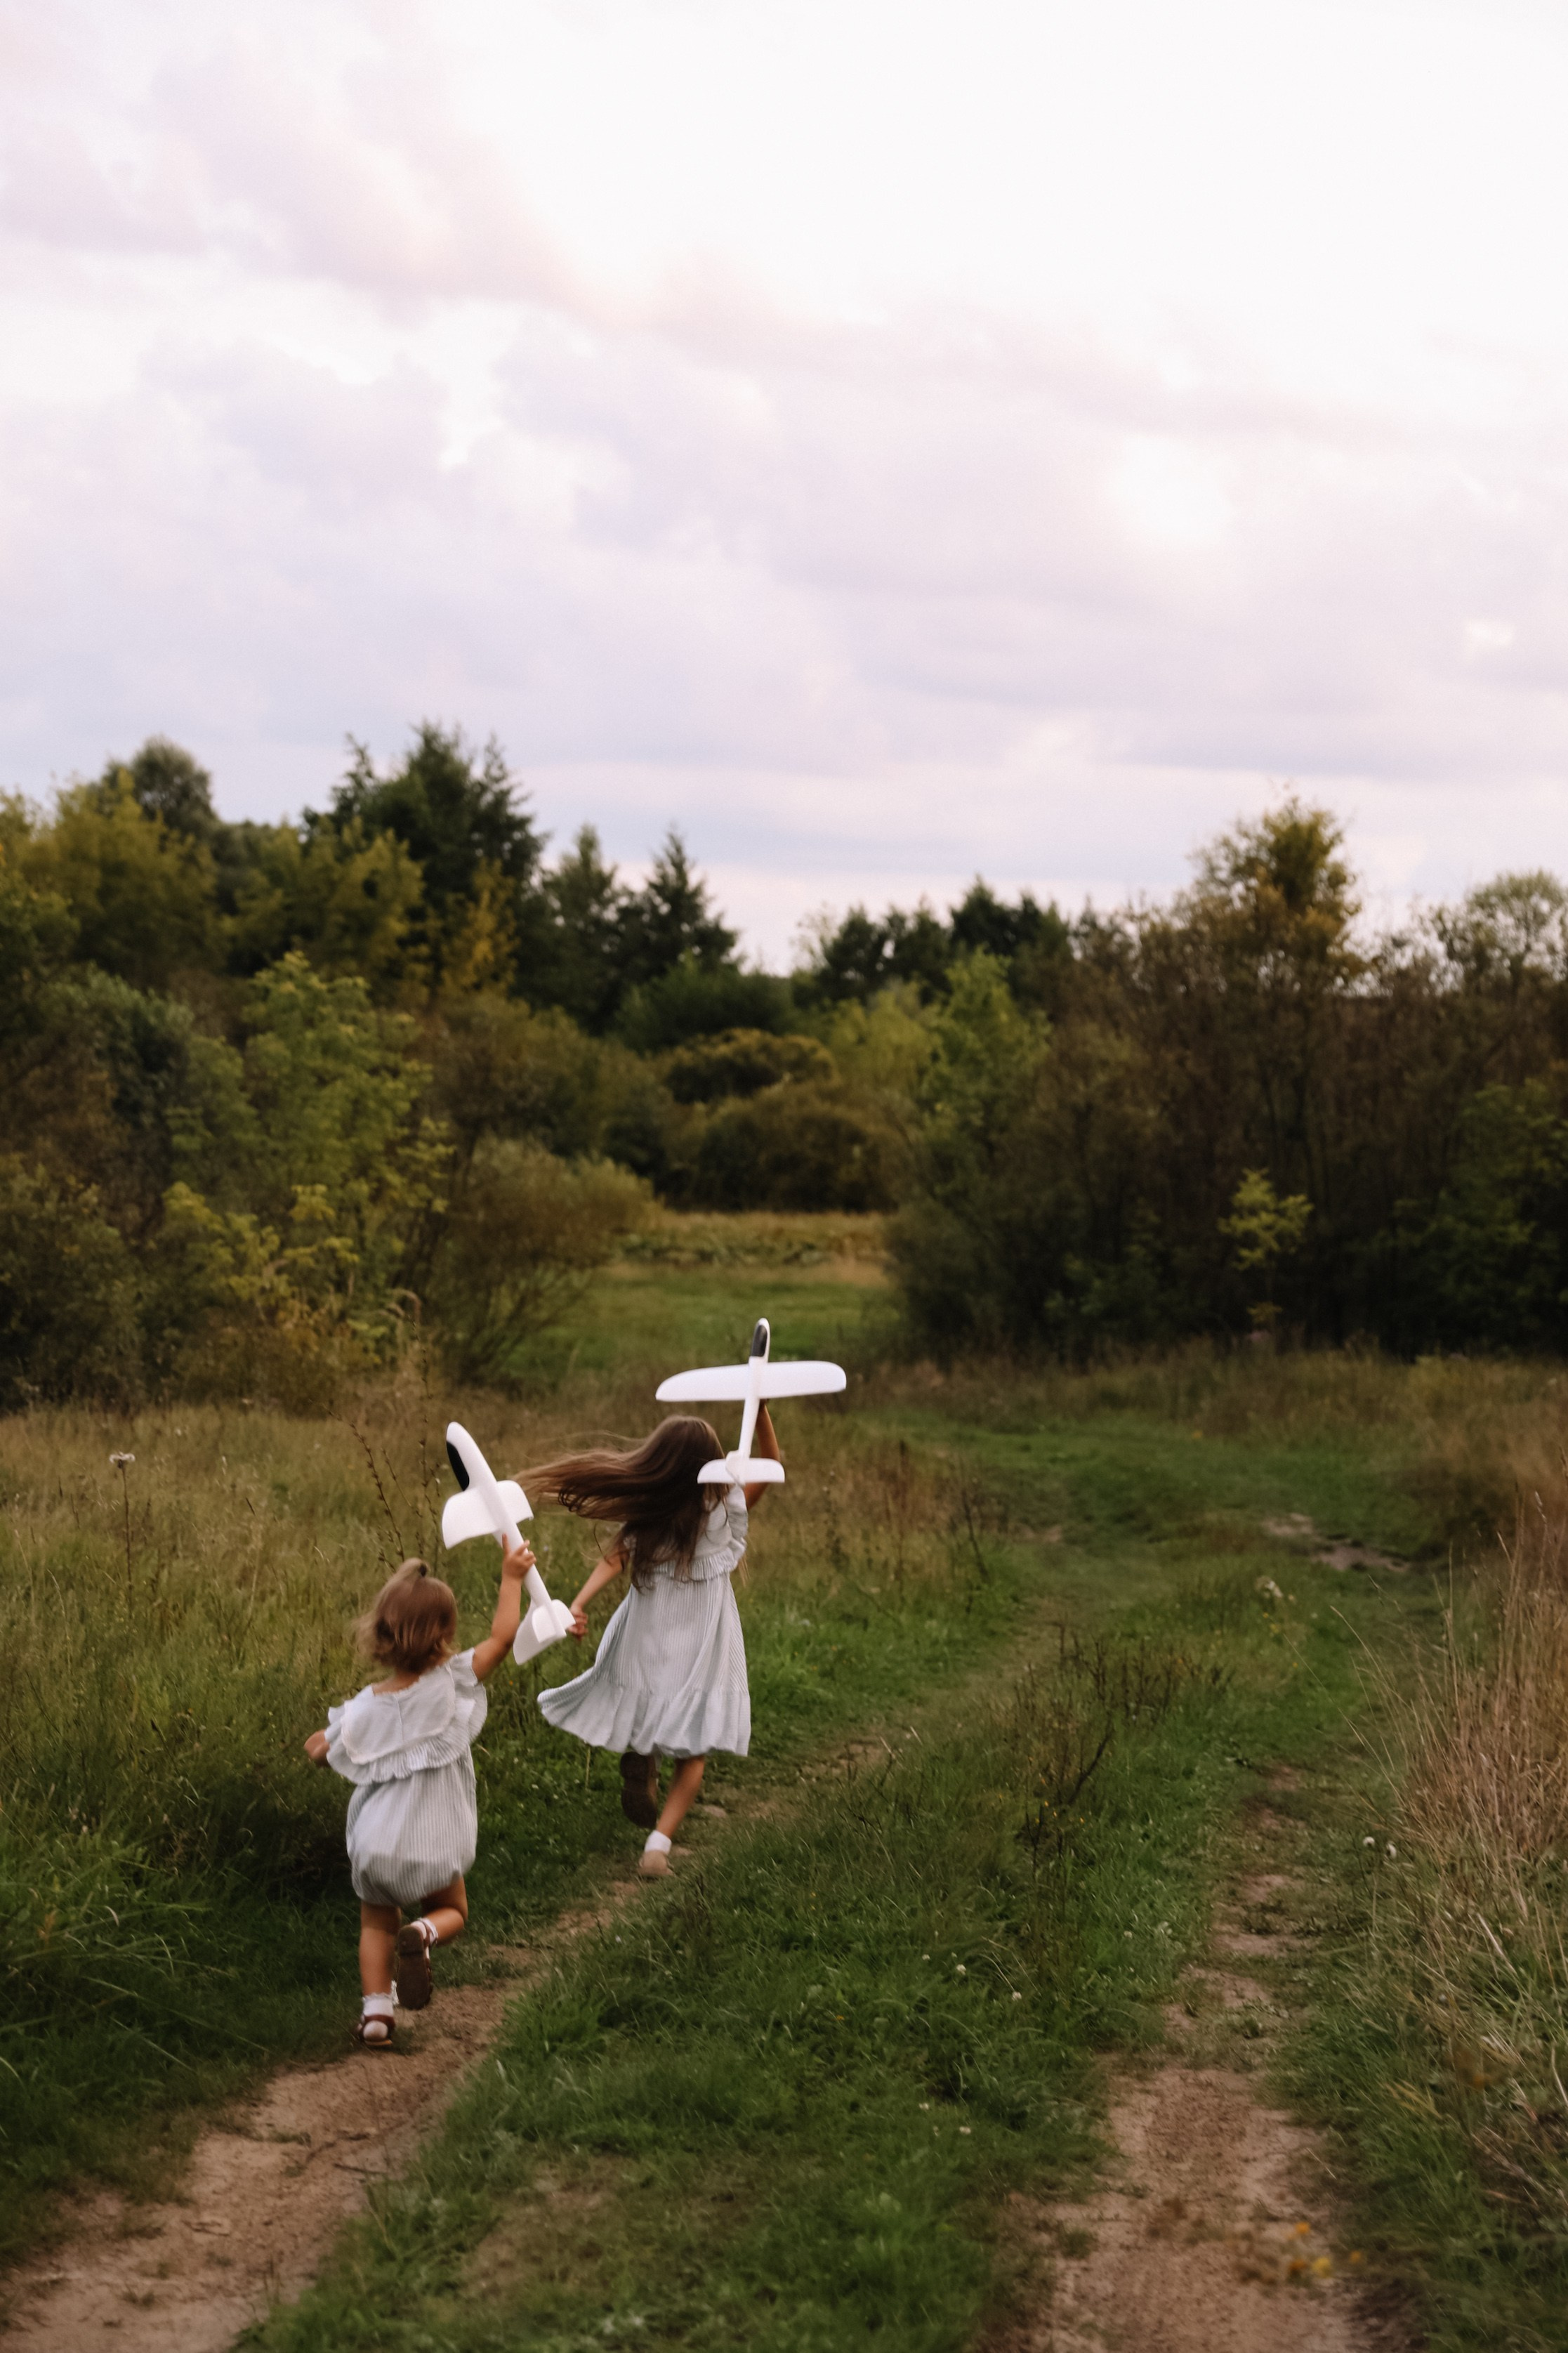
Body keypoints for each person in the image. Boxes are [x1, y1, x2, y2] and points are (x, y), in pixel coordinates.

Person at [529, 1408, 780, 1875]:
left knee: (650, 1697)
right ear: (707, 1463)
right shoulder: (725, 1510)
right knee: (694, 1746)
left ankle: (644, 1756)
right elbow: (773, 1458)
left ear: (658, 1462)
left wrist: (578, 1604)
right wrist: (759, 1409)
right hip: (702, 1642)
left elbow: (612, 1561)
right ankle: (657, 1846)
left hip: (647, 1633)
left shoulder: (648, 1515)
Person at [304, 1539, 531, 2046]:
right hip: (436, 1840)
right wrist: (511, 1577)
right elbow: (502, 1637)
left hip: (376, 1845)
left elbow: (319, 1749)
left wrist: (324, 1743)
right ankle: (426, 1934)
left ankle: (377, 2014)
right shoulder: (451, 1682)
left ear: (380, 1635)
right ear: (445, 1636)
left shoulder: (364, 1708)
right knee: (453, 1910)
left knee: (377, 1925)